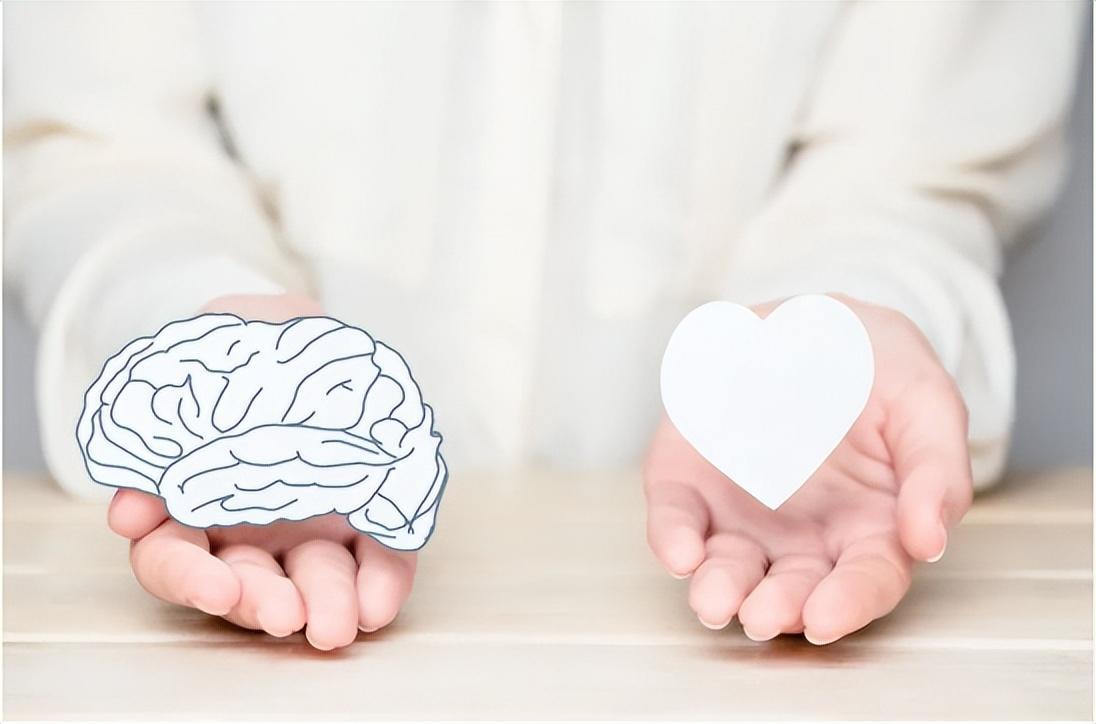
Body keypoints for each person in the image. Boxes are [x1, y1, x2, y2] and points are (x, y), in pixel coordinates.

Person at [4, 1, 1085, 650]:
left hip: (687, 623)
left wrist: (838, 324)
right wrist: (204, 327)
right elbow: (95, 138)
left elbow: (911, 159)